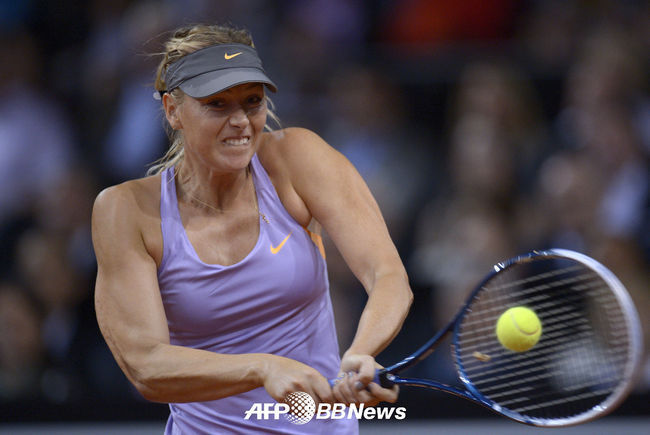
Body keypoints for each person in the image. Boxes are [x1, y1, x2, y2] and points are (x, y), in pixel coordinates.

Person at [91, 23, 413, 434]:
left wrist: (360, 353)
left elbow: (387, 275)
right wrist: (262, 369)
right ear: (173, 110)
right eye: (217, 104)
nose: (241, 121)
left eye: (252, 101)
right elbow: (145, 366)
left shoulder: (297, 158)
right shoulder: (126, 210)